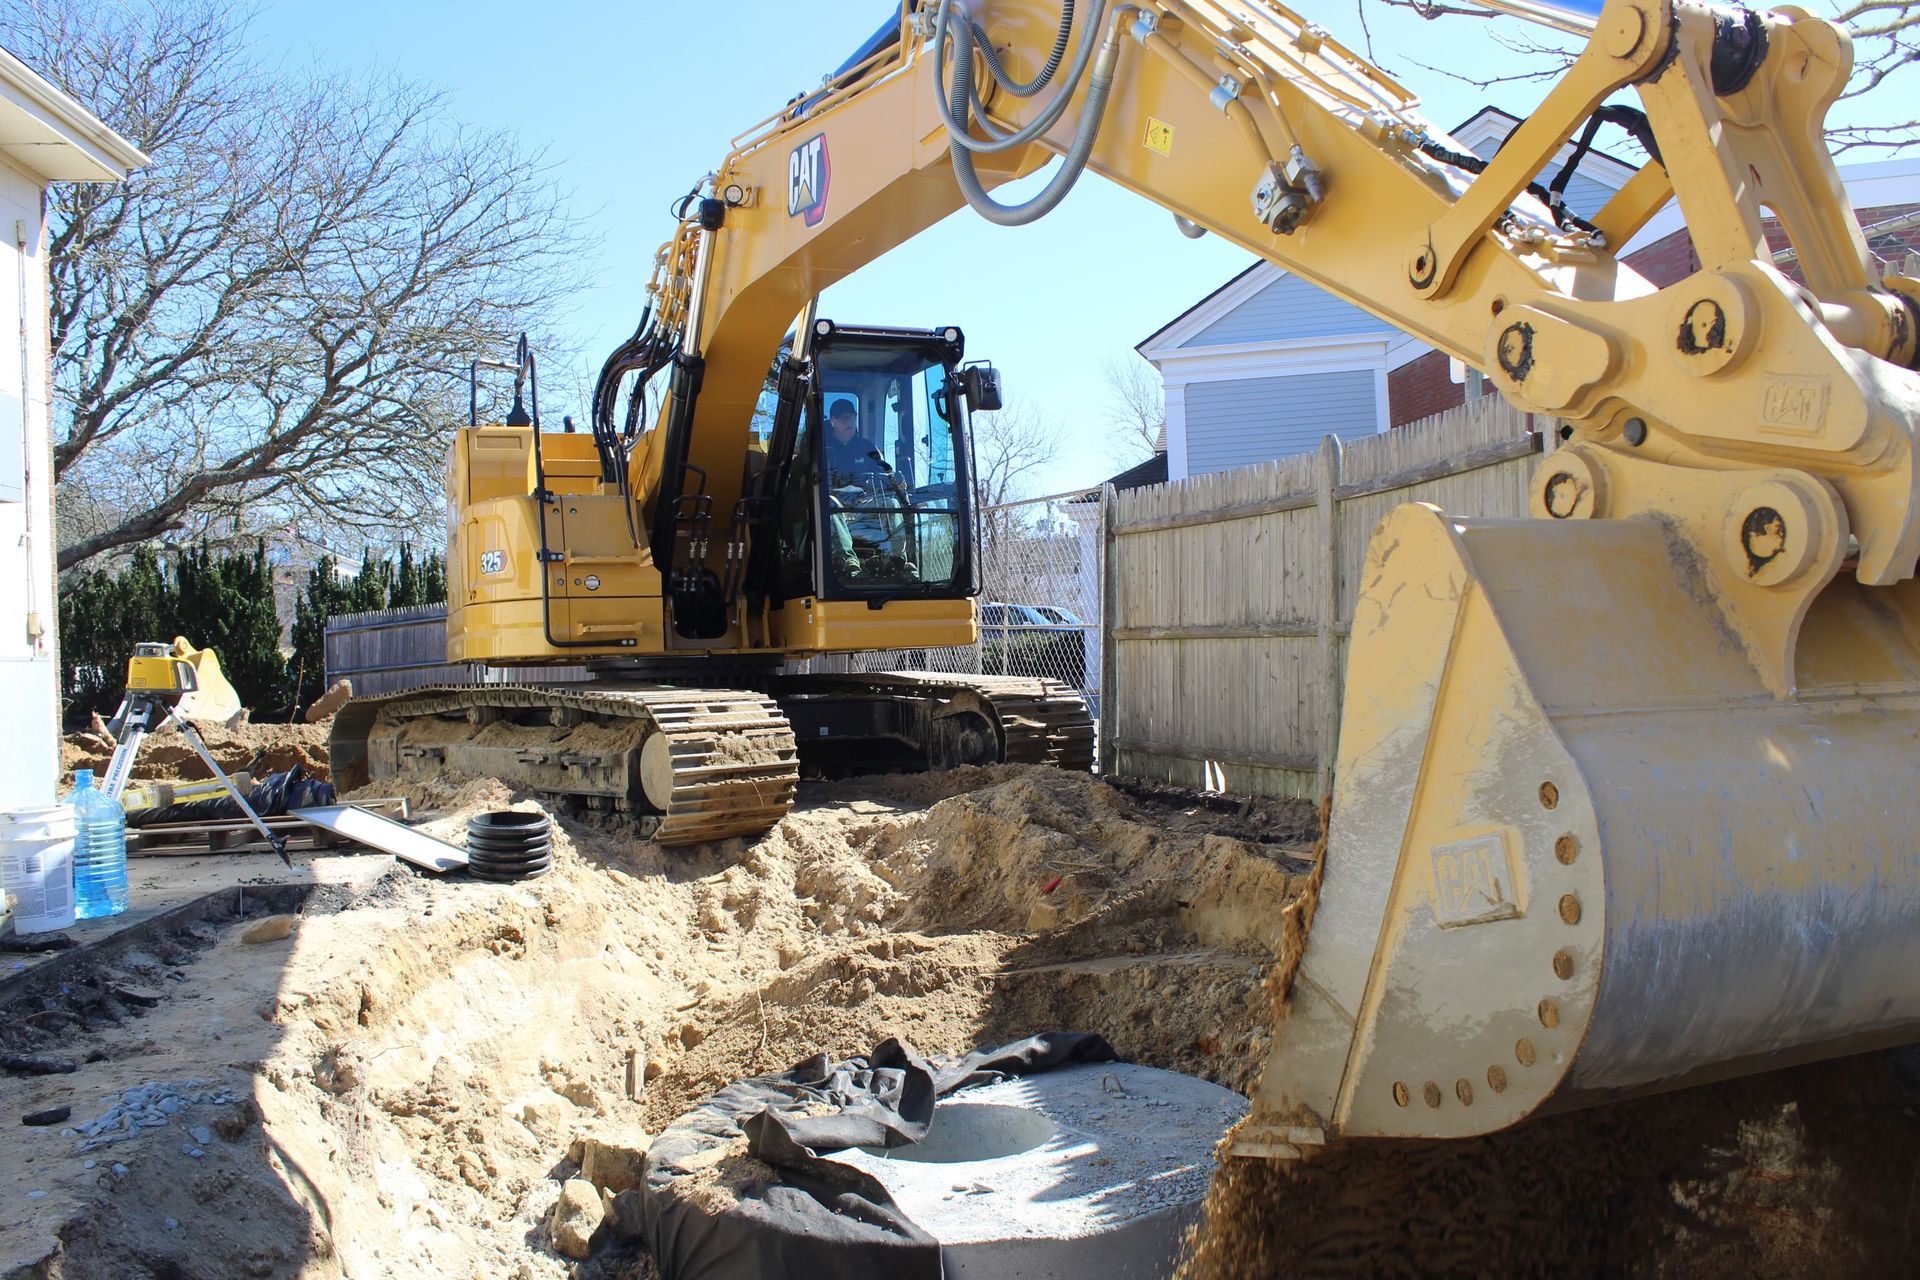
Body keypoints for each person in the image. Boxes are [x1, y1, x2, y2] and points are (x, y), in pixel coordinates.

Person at [823, 399, 889, 486]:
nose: (849, 422)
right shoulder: (821, 448)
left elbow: (882, 477)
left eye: (852, 417)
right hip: (829, 498)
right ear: (832, 422)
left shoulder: (868, 448)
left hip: (866, 498)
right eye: (844, 418)